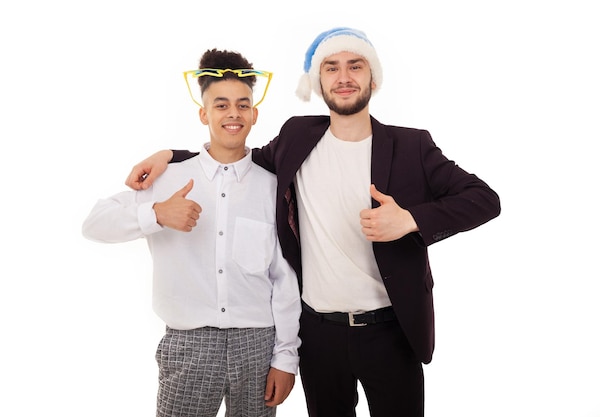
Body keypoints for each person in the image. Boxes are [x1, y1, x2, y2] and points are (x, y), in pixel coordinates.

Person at [124, 27, 501, 417]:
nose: (343, 77)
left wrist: (410, 219)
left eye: (355, 66)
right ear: (317, 83)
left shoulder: (412, 146)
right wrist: (171, 155)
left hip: (392, 331)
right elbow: (236, 157)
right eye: (331, 68)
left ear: (373, 78)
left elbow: (484, 199)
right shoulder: (297, 137)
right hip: (319, 336)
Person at [82, 49, 301, 417]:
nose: (233, 113)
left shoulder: (273, 187)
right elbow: (94, 224)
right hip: (188, 344)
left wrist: (286, 356)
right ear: (204, 114)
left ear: (254, 113)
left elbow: (284, 277)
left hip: (258, 344)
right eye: (221, 105)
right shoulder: (166, 177)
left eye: (242, 105)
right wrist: (156, 213)